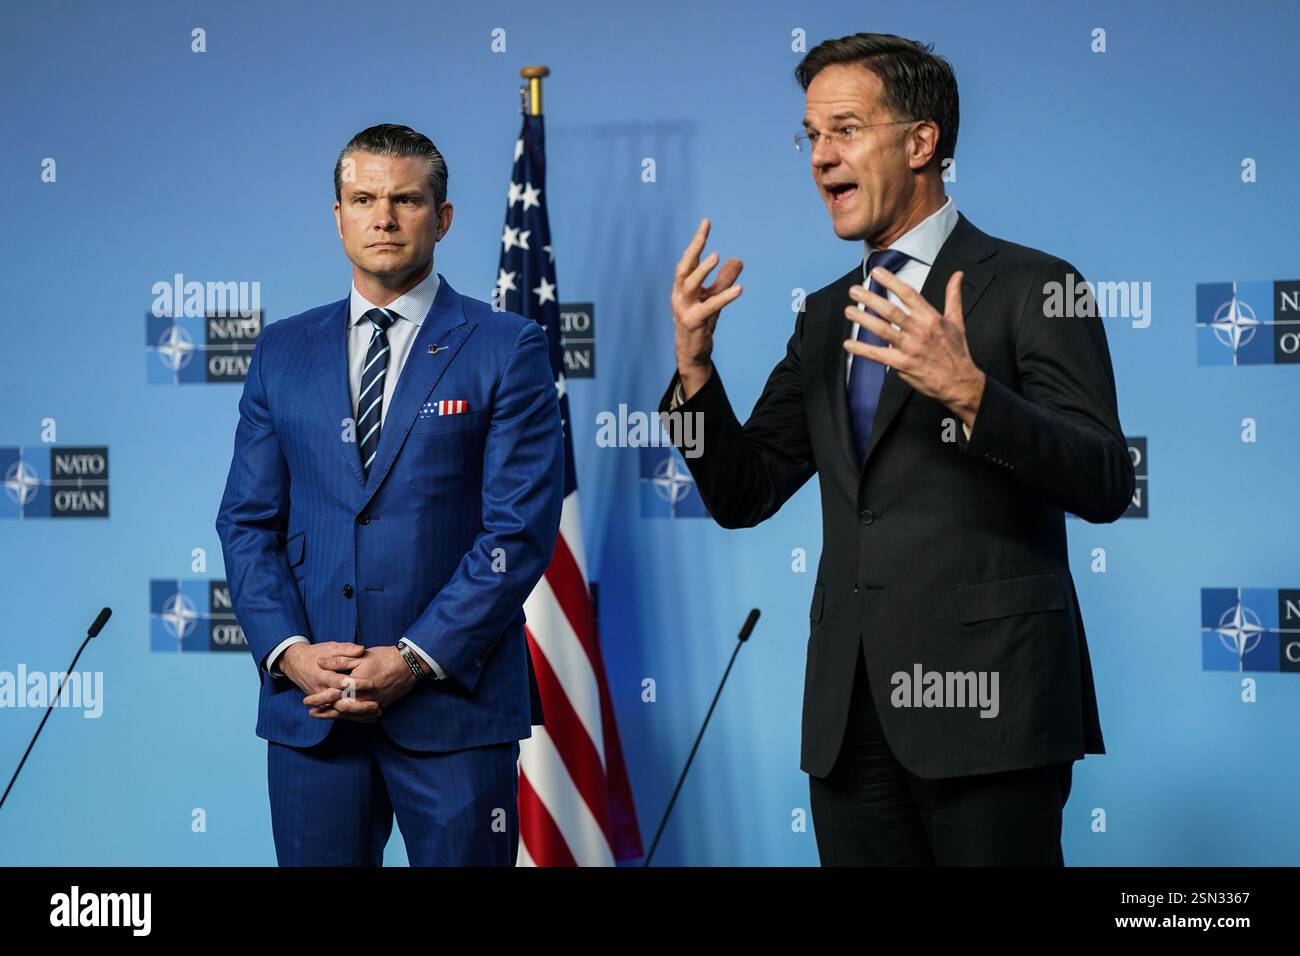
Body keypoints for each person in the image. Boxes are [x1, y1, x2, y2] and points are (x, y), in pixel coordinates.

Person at [660, 34, 1134, 865]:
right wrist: (694, 374)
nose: (820, 157)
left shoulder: (1034, 285)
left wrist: (971, 393)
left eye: (843, 130)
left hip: (993, 710)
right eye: (809, 137)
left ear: (922, 142)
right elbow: (744, 494)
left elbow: (1103, 478)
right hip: (850, 722)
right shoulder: (826, 314)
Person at [215, 123, 563, 866]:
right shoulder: (282, 349)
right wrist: (291, 653)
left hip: (452, 709)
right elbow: (247, 523)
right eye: (364, 198)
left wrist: (412, 660)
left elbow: (517, 533)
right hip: (312, 713)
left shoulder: (508, 346)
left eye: (405, 199)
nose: (383, 217)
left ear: (441, 218)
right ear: (336, 214)